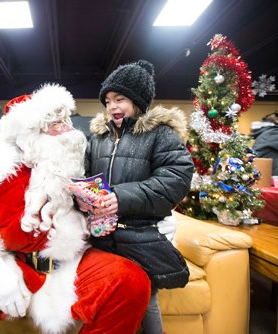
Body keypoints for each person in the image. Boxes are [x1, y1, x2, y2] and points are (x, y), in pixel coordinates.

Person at [0, 83, 151, 334]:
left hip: (72, 263)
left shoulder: (79, 165)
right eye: (56, 123)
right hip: (15, 266)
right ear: (30, 134)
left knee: (131, 280)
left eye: (67, 119)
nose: (68, 129)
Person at [75, 60, 194, 334]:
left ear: (138, 101)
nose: (112, 106)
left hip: (143, 232)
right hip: (104, 234)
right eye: (107, 101)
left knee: (146, 295)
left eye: (120, 99)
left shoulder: (160, 134)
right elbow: (86, 175)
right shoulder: (99, 138)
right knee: (112, 296)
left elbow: (176, 177)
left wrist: (121, 196)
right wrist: (82, 198)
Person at [250, 111, 278, 176]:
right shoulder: (274, 132)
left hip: (267, 174)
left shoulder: (269, 132)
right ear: (275, 122)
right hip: (272, 176)